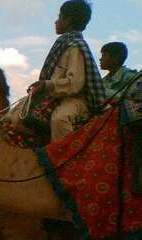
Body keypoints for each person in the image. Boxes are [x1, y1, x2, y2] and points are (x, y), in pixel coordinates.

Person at [27, 0, 105, 140]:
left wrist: (47, 85)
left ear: (68, 20)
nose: (56, 22)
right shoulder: (64, 44)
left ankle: (64, 159)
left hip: (75, 99)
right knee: (17, 113)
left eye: (60, 17)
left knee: (60, 120)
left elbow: (75, 83)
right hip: (58, 95)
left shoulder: (75, 46)